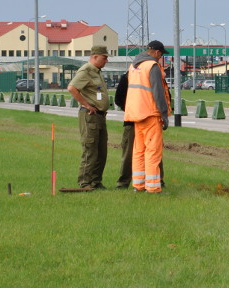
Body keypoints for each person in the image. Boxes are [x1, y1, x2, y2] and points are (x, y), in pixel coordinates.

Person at [124, 40, 171, 193]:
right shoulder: (152, 67)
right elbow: (158, 93)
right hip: (150, 114)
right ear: (157, 52)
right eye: (161, 54)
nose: (161, 58)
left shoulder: (133, 66)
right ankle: (152, 187)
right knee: (153, 151)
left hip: (136, 114)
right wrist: (164, 114)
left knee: (138, 151)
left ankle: (138, 185)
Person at [114, 70, 167, 190]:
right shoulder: (128, 77)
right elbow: (119, 99)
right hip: (135, 122)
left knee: (153, 152)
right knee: (131, 153)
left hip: (147, 119)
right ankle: (124, 182)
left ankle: (155, 180)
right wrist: (134, 112)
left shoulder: (154, 75)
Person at [67, 45, 110, 190]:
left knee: (101, 151)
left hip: (100, 116)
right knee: (90, 149)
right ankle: (84, 182)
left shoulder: (97, 72)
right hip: (90, 116)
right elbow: (72, 88)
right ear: (95, 56)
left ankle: (96, 181)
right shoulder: (86, 70)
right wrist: (86, 104)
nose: (106, 61)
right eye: (104, 58)